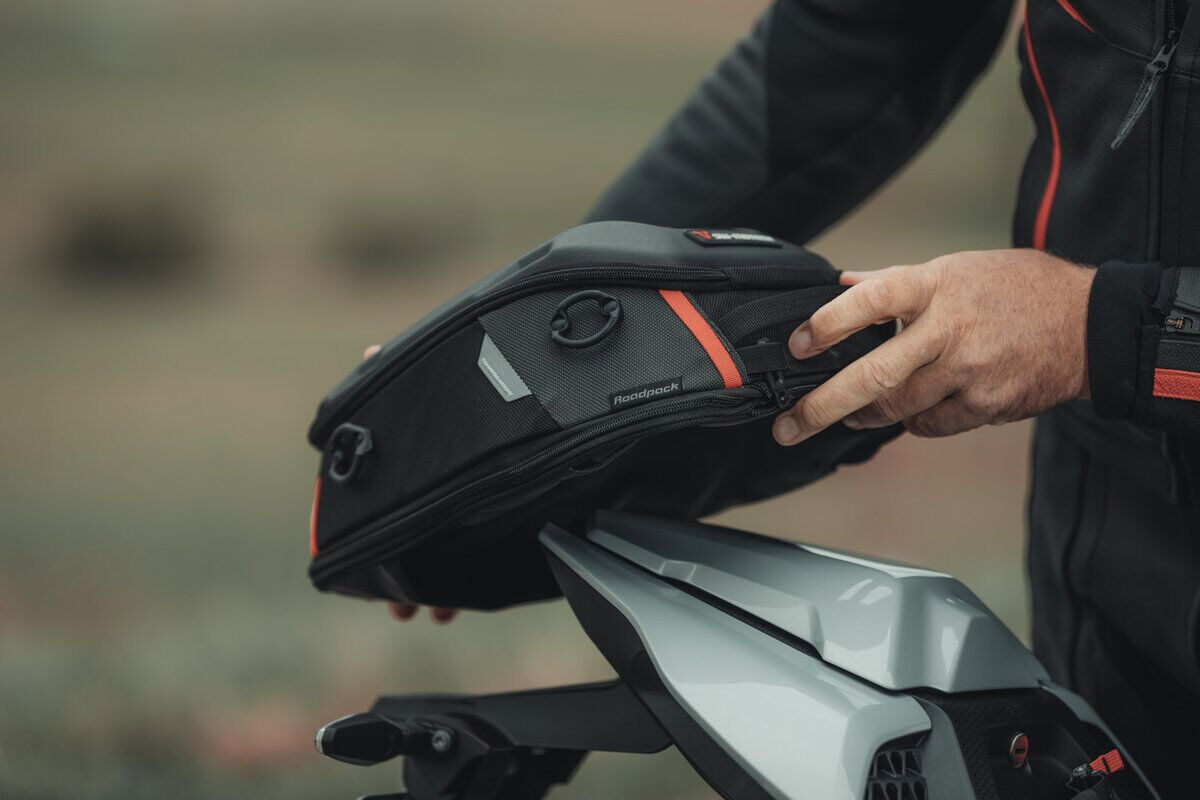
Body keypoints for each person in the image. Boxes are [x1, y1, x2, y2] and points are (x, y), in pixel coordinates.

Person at [390, 1, 1200, 795]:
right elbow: (858, 38)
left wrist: (1102, 332)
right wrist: (531, 357)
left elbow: (1099, 331)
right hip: (1104, 525)